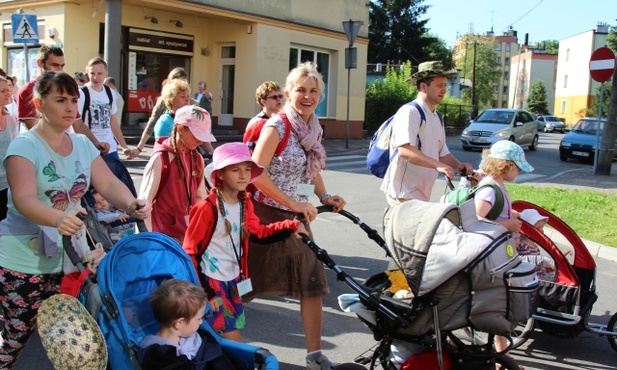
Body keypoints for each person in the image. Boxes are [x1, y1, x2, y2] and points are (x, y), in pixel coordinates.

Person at [0, 71, 150, 368]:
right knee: (16, 339)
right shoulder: (24, 146)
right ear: (40, 105)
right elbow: (24, 199)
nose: (70, 108)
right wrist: (58, 218)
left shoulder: (81, 143)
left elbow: (107, 183)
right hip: (25, 260)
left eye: (73, 100)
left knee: (76, 342)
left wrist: (132, 203)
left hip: (73, 257)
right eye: (60, 100)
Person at [246, 61, 346, 370]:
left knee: (311, 278)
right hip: (264, 214)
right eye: (301, 90)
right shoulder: (277, 125)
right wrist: (292, 203)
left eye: (314, 90)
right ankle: (212, 337)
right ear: (288, 93)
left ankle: (314, 354)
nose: (307, 96)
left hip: (297, 216)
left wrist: (323, 195)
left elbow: (309, 168)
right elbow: (255, 173)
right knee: (245, 285)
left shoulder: (313, 128)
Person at [183, 142, 308, 342]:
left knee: (216, 336)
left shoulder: (245, 202)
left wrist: (289, 226)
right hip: (211, 281)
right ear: (220, 175)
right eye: (235, 169)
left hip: (233, 278)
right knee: (228, 336)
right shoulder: (206, 208)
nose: (243, 175)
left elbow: (258, 233)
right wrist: (204, 291)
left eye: (247, 169)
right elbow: (190, 252)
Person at [472, 140, 532, 365]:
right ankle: (502, 357)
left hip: (500, 255)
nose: (519, 172)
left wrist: (511, 215)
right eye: (517, 167)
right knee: (498, 306)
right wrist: (508, 225)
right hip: (494, 258)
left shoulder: (495, 186)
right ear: (505, 166)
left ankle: (502, 356)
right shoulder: (489, 189)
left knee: (499, 306)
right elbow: (477, 219)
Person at [380, 61, 473, 203]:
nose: (444, 90)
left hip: (421, 195)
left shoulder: (437, 117)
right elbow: (404, 150)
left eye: (445, 85)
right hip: (403, 194)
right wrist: (438, 165)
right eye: (439, 85)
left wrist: (459, 166)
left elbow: (442, 154)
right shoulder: (410, 111)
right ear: (424, 87)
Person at [139, 105, 216, 243]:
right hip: (162, 237)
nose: (201, 141)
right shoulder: (161, 159)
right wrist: (146, 241)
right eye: (197, 135)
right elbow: (145, 202)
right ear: (180, 129)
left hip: (188, 236)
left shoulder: (197, 158)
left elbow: (201, 197)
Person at [15, 45, 108, 153]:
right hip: (35, 151)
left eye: (62, 65)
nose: (59, 70)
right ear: (40, 63)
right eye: (55, 65)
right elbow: (34, 128)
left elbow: (77, 123)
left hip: (61, 149)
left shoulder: (65, 88)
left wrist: (96, 143)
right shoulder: (27, 91)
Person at [138, 279, 248, 370]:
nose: (201, 322)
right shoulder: (158, 355)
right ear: (179, 323)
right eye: (198, 318)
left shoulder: (194, 336)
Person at [134, 68, 213, 157]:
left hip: (190, 155)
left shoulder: (193, 104)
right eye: (182, 96)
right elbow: (152, 124)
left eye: (184, 82)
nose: (186, 99)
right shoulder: (164, 116)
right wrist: (139, 148)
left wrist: (211, 152)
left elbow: (199, 131)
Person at [76, 57, 136, 161]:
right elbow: (77, 124)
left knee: (116, 176)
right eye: (92, 73)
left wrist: (124, 146)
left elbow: (113, 122)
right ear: (87, 73)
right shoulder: (81, 93)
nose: (95, 77)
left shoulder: (110, 92)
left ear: (106, 74)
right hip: (89, 147)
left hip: (110, 149)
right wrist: (97, 143)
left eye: (99, 73)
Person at [0, 76, 20, 220]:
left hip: (6, 184)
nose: (8, 93)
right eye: (2, 91)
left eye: (8, 89)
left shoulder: (11, 119)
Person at [518, 209, 555, 279]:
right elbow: (528, 265)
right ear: (527, 229)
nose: (541, 230)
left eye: (542, 227)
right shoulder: (523, 246)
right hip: (536, 278)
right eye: (538, 228)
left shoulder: (534, 245)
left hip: (542, 275)